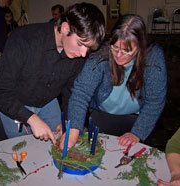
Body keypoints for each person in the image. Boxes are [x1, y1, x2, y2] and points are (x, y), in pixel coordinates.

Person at [0, 3, 105, 146]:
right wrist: (31, 118)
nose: (83, 54)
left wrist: (67, 120)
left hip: (48, 103)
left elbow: (70, 91)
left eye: (88, 48)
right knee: (22, 153)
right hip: (15, 103)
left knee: (56, 149)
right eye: (81, 43)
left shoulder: (77, 54)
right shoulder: (23, 39)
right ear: (65, 28)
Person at [61, 14, 167, 149]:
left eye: (126, 51)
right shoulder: (101, 52)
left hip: (136, 118)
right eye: (115, 48)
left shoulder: (153, 58)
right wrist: (74, 128)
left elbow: (155, 101)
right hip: (101, 115)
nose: (118, 55)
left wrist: (137, 133)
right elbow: (81, 92)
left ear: (140, 46)